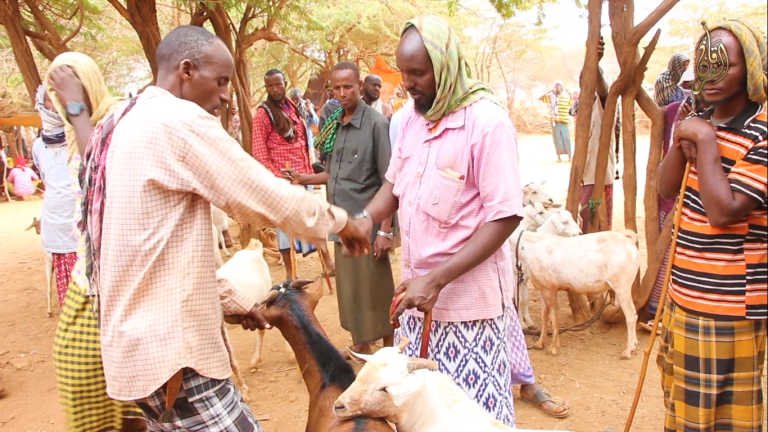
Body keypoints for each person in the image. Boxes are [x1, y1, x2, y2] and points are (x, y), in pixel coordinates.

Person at [52, 26, 371, 432]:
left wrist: (229, 301)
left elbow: (144, 250)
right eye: (219, 81)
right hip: (175, 357)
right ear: (186, 70)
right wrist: (341, 224)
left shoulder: (116, 123)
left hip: (131, 354)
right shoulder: (178, 120)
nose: (225, 94)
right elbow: (260, 193)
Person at [346, 15, 524, 426]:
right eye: (404, 72)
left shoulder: (487, 123)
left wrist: (437, 280)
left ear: (445, 66)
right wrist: (365, 219)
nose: (408, 82)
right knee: (422, 414)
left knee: (472, 417)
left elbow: (505, 216)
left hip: (468, 309)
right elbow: (394, 183)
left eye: (418, 73)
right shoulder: (409, 119)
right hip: (417, 298)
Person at [656, 20, 767, 431]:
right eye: (704, 65)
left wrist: (703, 141)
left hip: (728, 304)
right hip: (684, 292)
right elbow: (665, 187)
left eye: (726, 65)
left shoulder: (762, 132)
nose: (712, 77)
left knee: (720, 419)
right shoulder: (700, 118)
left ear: (750, 69)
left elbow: (724, 212)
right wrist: (689, 136)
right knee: (684, 407)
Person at [45, 52, 147, 432]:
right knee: (80, 371)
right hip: (89, 273)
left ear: (86, 83)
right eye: (56, 91)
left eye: (68, 87)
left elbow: (100, 173)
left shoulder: (117, 119)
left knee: (110, 379)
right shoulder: (83, 128)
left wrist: (75, 108)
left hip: (118, 275)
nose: (61, 99)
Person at [284, 61, 396, 356]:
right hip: (341, 224)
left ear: (359, 86)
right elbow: (333, 173)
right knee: (351, 293)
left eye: (349, 86)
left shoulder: (376, 124)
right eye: (337, 87)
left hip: (367, 227)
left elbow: (389, 181)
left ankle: (390, 352)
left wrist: (386, 231)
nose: (343, 92)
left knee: (377, 291)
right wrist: (304, 178)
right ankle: (361, 344)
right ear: (331, 90)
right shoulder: (335, 124)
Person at [252, 69, 335, 279]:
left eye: (278, 84)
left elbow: (301, 140)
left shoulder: (292, 107)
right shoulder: (263, 113)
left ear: (285, 83)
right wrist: (279, 179)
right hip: (282, 182)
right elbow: (260, 153)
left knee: (313, 217)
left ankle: (328, 263)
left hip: (303, 175)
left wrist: (306, 171)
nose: (275, 89)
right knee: (283, 228)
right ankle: (291, 275)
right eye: (270, 86)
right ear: (266, 87)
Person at [31, 84, 78, 306]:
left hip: (82, 222)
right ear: (42, 104)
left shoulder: (81, 136)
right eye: (50, 100)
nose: (55, 105)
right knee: (69, 298)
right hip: (55, 222)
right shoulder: (38, 146)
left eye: (60, 99)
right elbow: (47, 181)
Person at [576, 37, 617, 233]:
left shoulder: (604, 106)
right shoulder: (584, 109)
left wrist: (594, 61)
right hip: (583, 179)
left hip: (598, 178)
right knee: (582, 228)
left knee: (597, 230)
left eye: (591, 78)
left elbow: (603, 90)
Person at [539, 81, 572, 162]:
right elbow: (540, 98)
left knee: (566, 138)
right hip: (555, 121)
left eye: (559, 86)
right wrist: (549, 91)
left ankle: (570, 156)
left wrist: (570, 94)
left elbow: (570, 104)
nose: (558, 88)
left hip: (564, 121)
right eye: (556, 86)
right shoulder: (551, 96)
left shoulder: (566, 96)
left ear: (562, 87)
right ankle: (559, 157)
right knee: (557, 139)